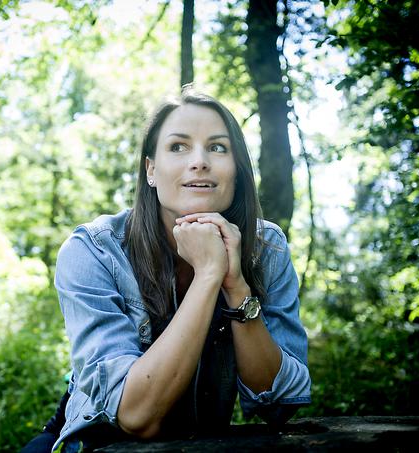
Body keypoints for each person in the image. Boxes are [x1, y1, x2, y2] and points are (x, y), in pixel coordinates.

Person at [22, 87, 311, 453]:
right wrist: (208, 275)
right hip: (95, 441)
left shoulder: (266, 248)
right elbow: (135, 416)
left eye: (218, 147)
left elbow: (282, 404)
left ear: (237, 170)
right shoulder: (93, 250)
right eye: (178, 146)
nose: (200, 161)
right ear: (151, 170)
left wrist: (236, 287)